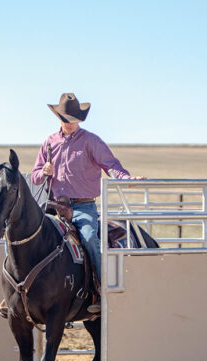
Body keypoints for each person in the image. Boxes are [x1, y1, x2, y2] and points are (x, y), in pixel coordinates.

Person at [31, 92, 144, 313]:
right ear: (59, 118)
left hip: (83, 207)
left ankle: (100, 288)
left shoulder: (91, 141)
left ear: (79, 120)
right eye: (65, 119)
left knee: (91, 238)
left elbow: (111, 165)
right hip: (54, 206)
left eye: (73, 120)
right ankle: (20, 291)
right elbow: (35, 176)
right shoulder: (49, 142)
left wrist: (126, 179)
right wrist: (44, 171)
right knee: (28, 235)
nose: (69, 123)